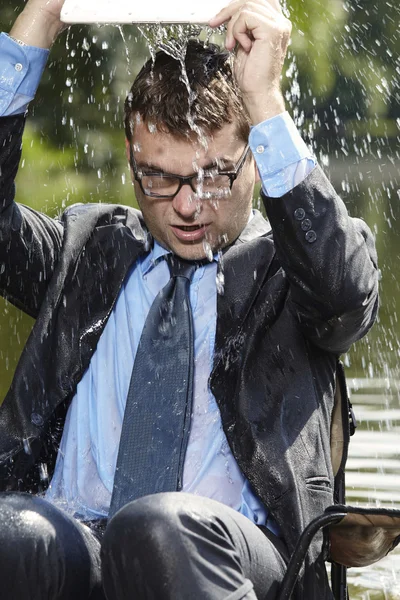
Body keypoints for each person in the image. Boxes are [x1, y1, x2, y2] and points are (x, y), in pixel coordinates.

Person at [0, 0, 379, 597]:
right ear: (131, 160)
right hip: (75, 545)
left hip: (224, 555)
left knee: (159, 528)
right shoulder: (85, 251)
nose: (184, 205)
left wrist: (265, 102)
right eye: (159, 177)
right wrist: (39, 21)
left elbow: (344, 297)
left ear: (252, 158)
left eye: (212, 176)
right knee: (14, 531)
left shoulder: (293, 269)